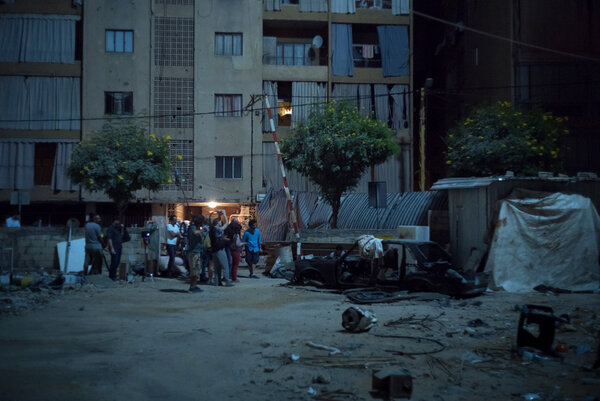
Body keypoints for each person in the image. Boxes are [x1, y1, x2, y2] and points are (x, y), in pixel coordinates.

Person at [209, 210, 233, 287]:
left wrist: (219, 215)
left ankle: (217, 282)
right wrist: (225, 215)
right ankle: (227, 281)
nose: (221, 223)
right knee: (225, 266)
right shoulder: (217, 229)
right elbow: (226, 224)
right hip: (220, 250)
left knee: (217, 268)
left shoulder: (212, 229)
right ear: (217, 223)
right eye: (219, 221)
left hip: (214, 250)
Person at [187, 215, 206, 293]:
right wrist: (202, 230)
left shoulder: (197, 227)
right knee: (194, 270)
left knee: (197, 270)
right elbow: (195, 233)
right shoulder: (193, 227)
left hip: (198, 251)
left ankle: (194, 285)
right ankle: (192, 286)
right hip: (193, 252)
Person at [226, 218, 243, 282]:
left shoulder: (234, 230)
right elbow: (238, 242)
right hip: (230, 247)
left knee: (231, 263)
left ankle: (231, 276)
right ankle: (230, 277)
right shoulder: (229, 229)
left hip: (232, 247)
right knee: (231, 263)